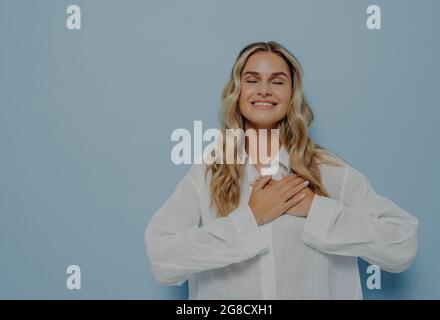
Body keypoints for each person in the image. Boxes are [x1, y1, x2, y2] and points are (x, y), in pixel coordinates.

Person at [144, 41, 418, 299]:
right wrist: (251, 218)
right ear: (237, 92)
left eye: (277, 81)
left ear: (292, 95)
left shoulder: (330, 172)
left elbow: (402, 244)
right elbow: (162, 258)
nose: (264, 90)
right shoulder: (208, 174)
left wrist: (316, 210)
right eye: (252, 80)